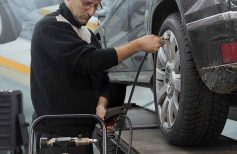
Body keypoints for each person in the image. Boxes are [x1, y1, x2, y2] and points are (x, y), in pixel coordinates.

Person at [30, 0, 162, 153]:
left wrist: (101, 104)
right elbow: (87, 60)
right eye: (86, 3)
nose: (92, 12)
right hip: (55, 137)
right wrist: (136, 45)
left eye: (96, 5)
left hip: (84, 134)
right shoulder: (49, 27)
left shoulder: (88, 35)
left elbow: (104, 78)